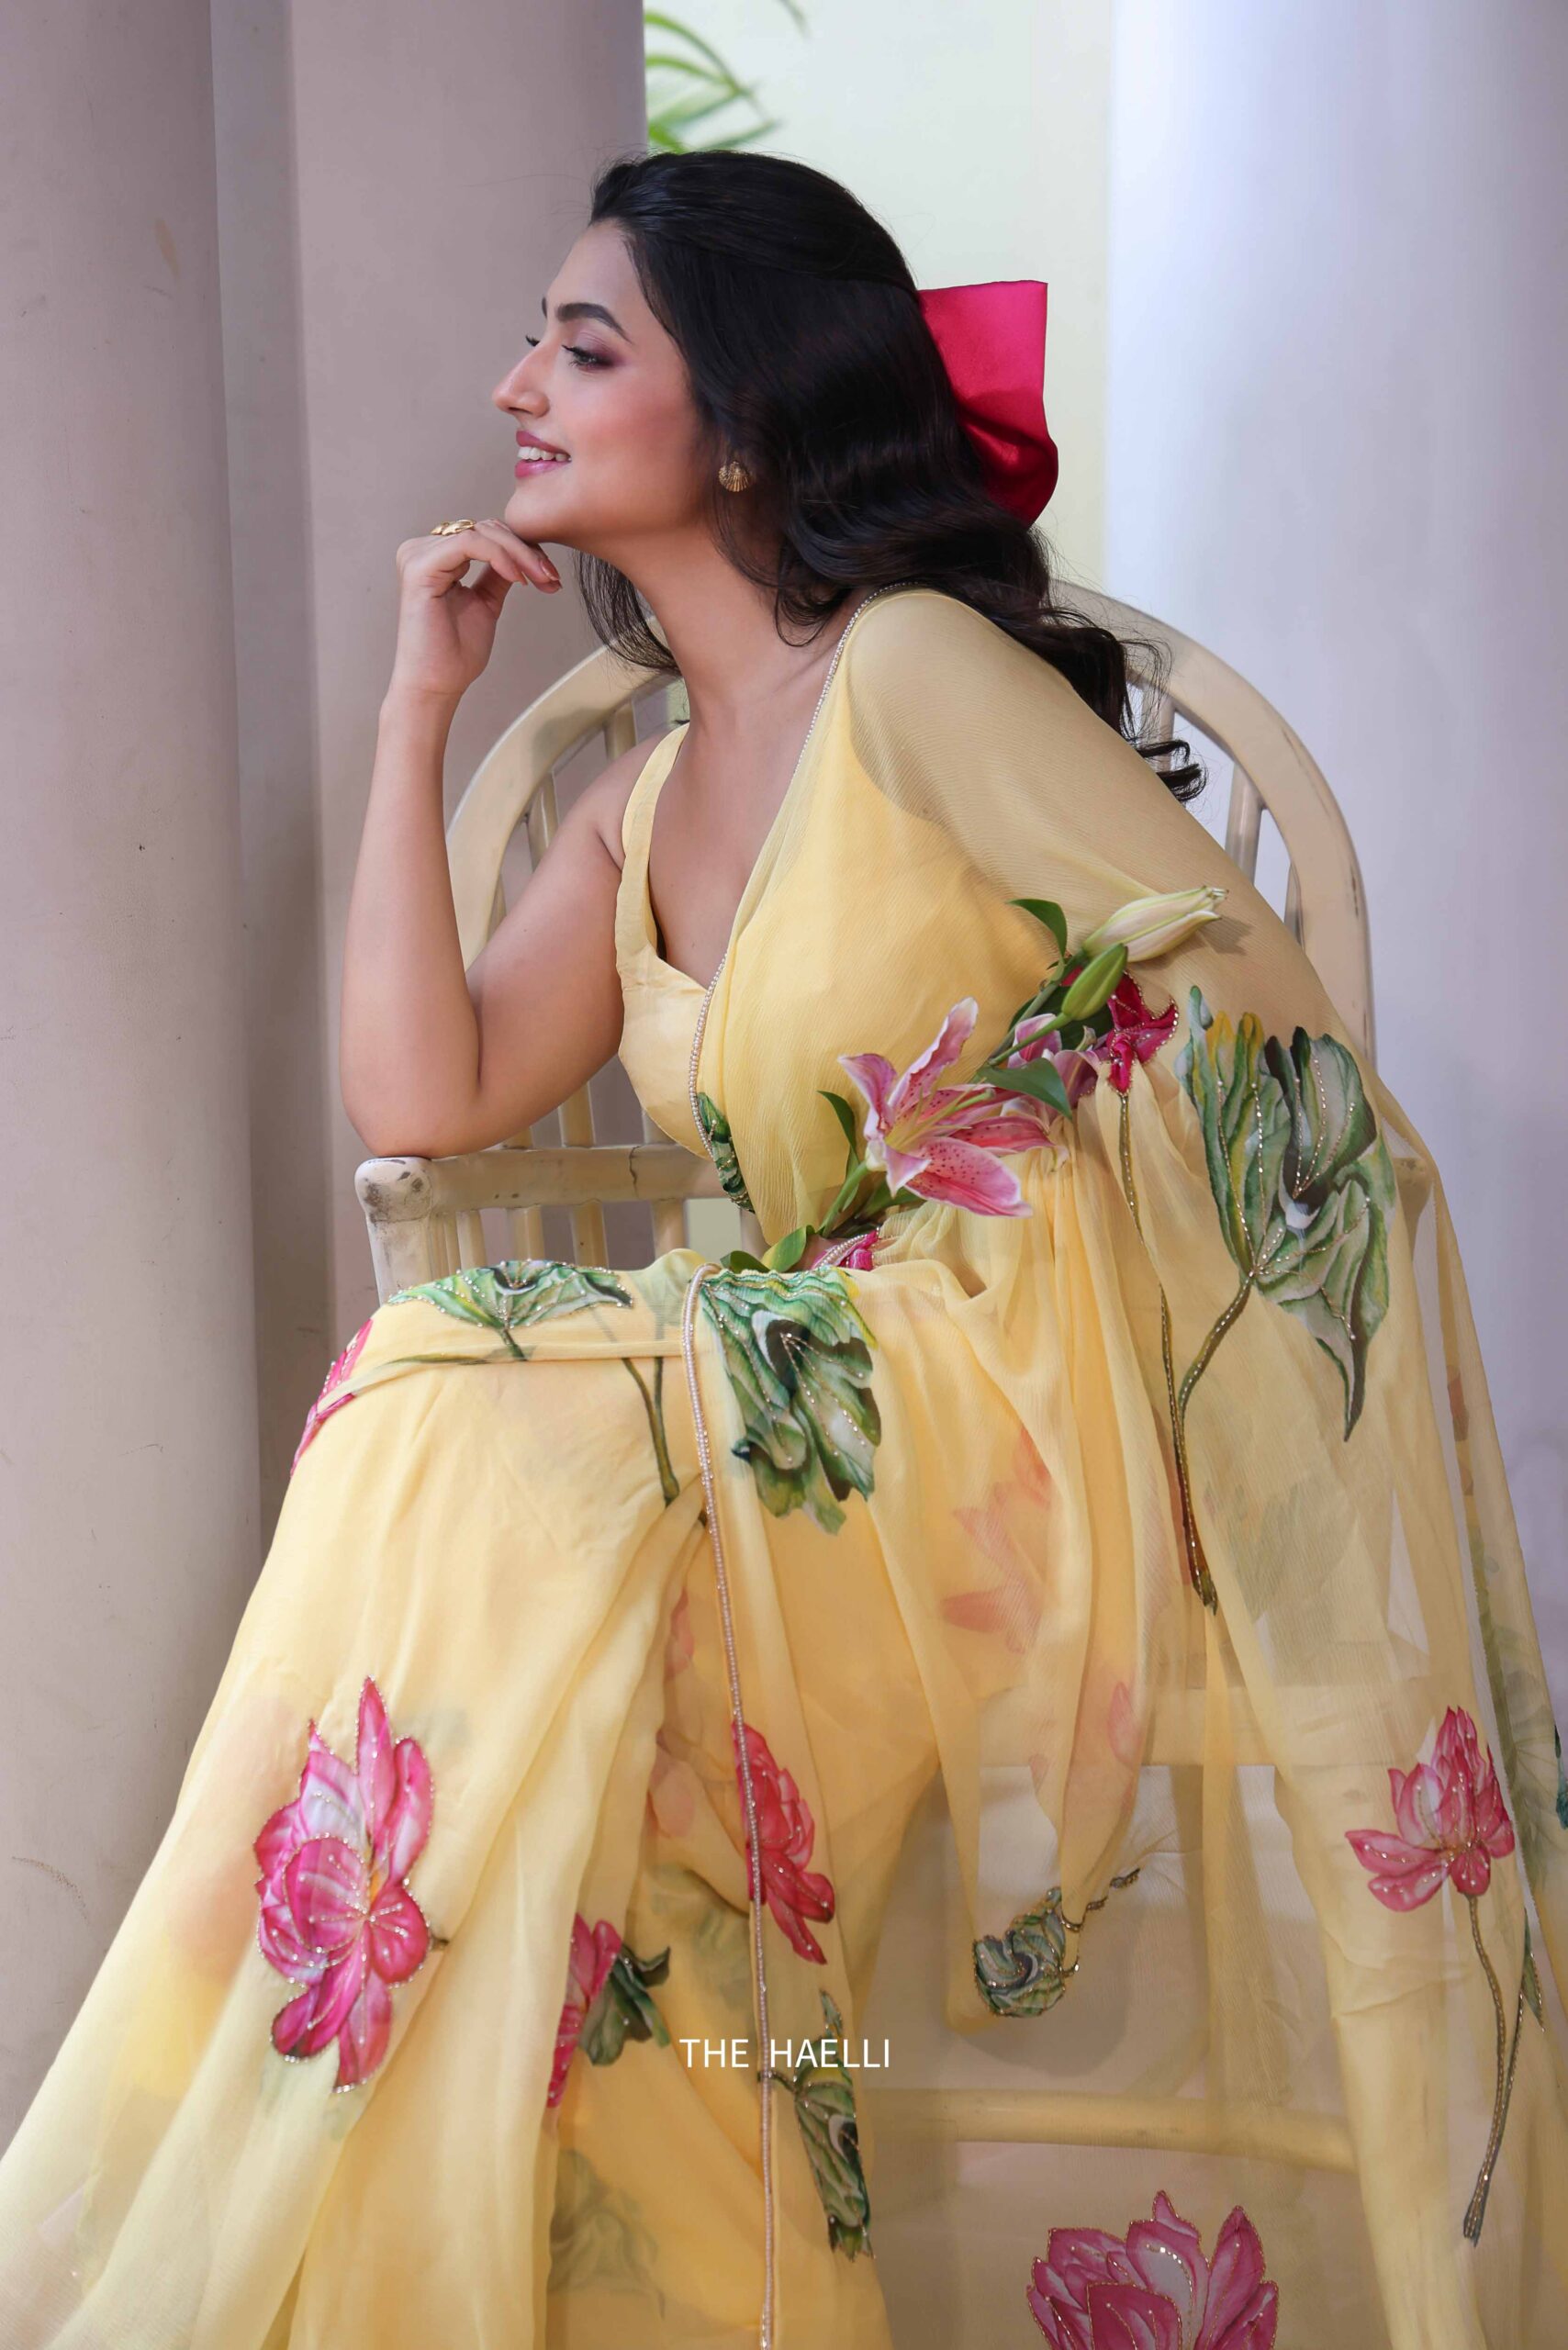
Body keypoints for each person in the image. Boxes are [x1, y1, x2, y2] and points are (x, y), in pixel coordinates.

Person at [0, 145, 1563, 2350]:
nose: (514, 386)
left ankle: (243, 2177)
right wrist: (416, 707)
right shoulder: (647, 786)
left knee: (443, 1382)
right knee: (579, 1704)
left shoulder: (910, 672)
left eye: (580, 346)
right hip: (803, 1397)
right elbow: (423, 1097)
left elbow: (1246, 1015)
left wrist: (1015, 1144)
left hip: (1006, 1405)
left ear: (738, 416)